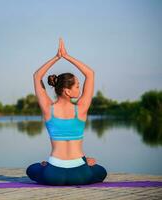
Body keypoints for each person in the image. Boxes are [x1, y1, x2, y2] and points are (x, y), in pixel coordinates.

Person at [26, 37, 107, 185]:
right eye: (77, 86)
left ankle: (46, 166)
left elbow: (37, 76)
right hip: (81, 173)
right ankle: (83, 162)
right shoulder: (81, 108)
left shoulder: (48, 109)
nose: (79, 88)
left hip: (53, 173)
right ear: (67, 91)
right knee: (101, 171)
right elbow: (90, 73)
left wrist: (57, 57)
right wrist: (67, 56)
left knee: (32, 169)